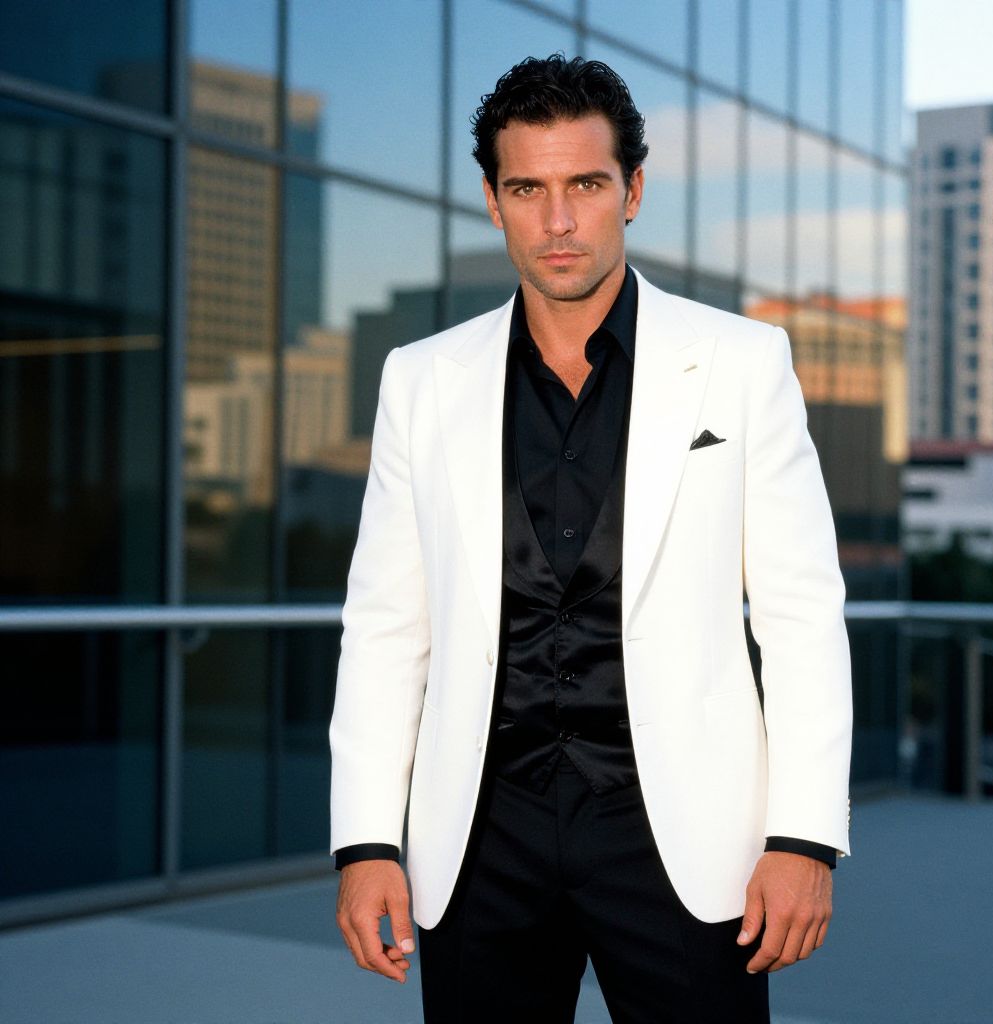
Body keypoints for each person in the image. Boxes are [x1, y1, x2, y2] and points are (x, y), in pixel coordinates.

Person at [329, 54, 852, 1023]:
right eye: (528, 189)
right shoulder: (421, 379)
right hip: (481, 837)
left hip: (682, 838)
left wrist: (804, 836)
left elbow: (801, 615)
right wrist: (365, 842)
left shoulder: (741, 363)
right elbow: (387, 626)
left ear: (632, 191)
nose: (558, 221)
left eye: (586, 185)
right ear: (493, 202)